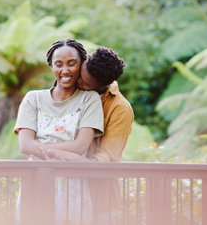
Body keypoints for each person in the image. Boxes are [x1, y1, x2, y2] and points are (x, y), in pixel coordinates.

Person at [14, 39, 104, 224]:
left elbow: (80, 145)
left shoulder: (89, 100)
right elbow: (25, 145)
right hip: (36, 181)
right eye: (59, 64)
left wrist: (44, 149)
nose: (65, 70)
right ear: (51, 66)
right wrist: (63, 153)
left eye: (72, 64)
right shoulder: (33, 99)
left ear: (81, 64)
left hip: (73, 186)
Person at [41, 46, 134, 225]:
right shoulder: (72, 92)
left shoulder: (120, 109)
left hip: (99, 200)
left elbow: (104, 159)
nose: (78, 83)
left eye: (85, 83)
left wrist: (65, 155)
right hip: (61, 194)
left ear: (102, 86)